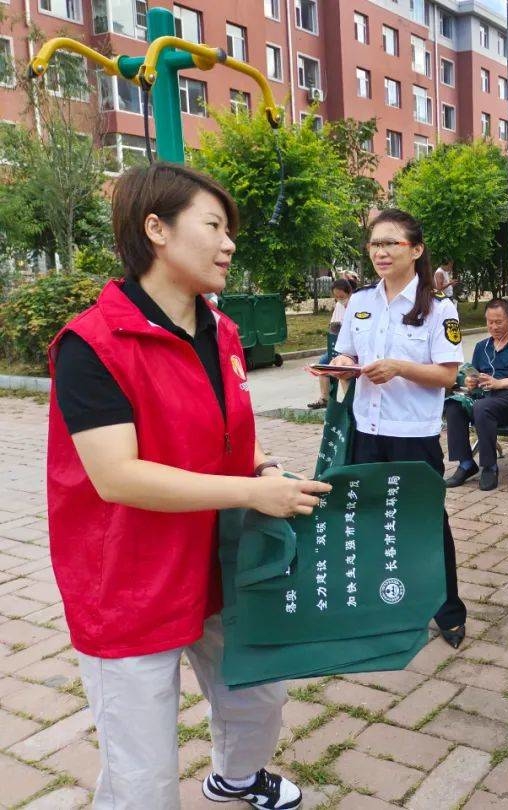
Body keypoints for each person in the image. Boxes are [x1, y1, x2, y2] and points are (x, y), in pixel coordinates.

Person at [47, 163, 332, 810]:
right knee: (143, 779)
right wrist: (250, 495)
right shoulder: (91, 346)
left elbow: (232, 433)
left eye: (230, 230)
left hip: (220, 564)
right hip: (128, 582)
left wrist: (263, 469)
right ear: (156, 230)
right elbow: (117, 476)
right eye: (214, 226)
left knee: (260, 698)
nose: (229, 243)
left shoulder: (222, 332)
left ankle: (234, 778)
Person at [326, 209, 468, 649]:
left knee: (425, 522)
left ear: (416, 250)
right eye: (374, 244)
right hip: (365, 431)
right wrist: (344, 365)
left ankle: (448, 611)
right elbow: (346, 352)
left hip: (413, 434)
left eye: (391, 243)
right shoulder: (361, 303)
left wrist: (400, 367)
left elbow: (447, 376)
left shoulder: (439, 309)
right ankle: (378, 606)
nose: (381, 252)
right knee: (367, 520)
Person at [444, 299, 508, 491]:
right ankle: (466, 463)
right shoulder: (482, 347)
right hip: (485, 398)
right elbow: (474, 375)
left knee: (482, 407)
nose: (493, 327)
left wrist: (499, 383)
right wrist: (471, 382)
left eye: (499, 322)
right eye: (489, 322)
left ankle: (489, 466)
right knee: (453, 405)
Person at [308, 278, 354, 409]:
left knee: (345, 370)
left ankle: (349, 404)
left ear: (349, 292)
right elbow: (333, 326)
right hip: (338, 346)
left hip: (353, 349)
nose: (340, 299)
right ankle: (325, 398)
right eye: (337, 297)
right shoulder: (339, 305)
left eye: (342, 296)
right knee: (322, 364)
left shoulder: (357, 303)